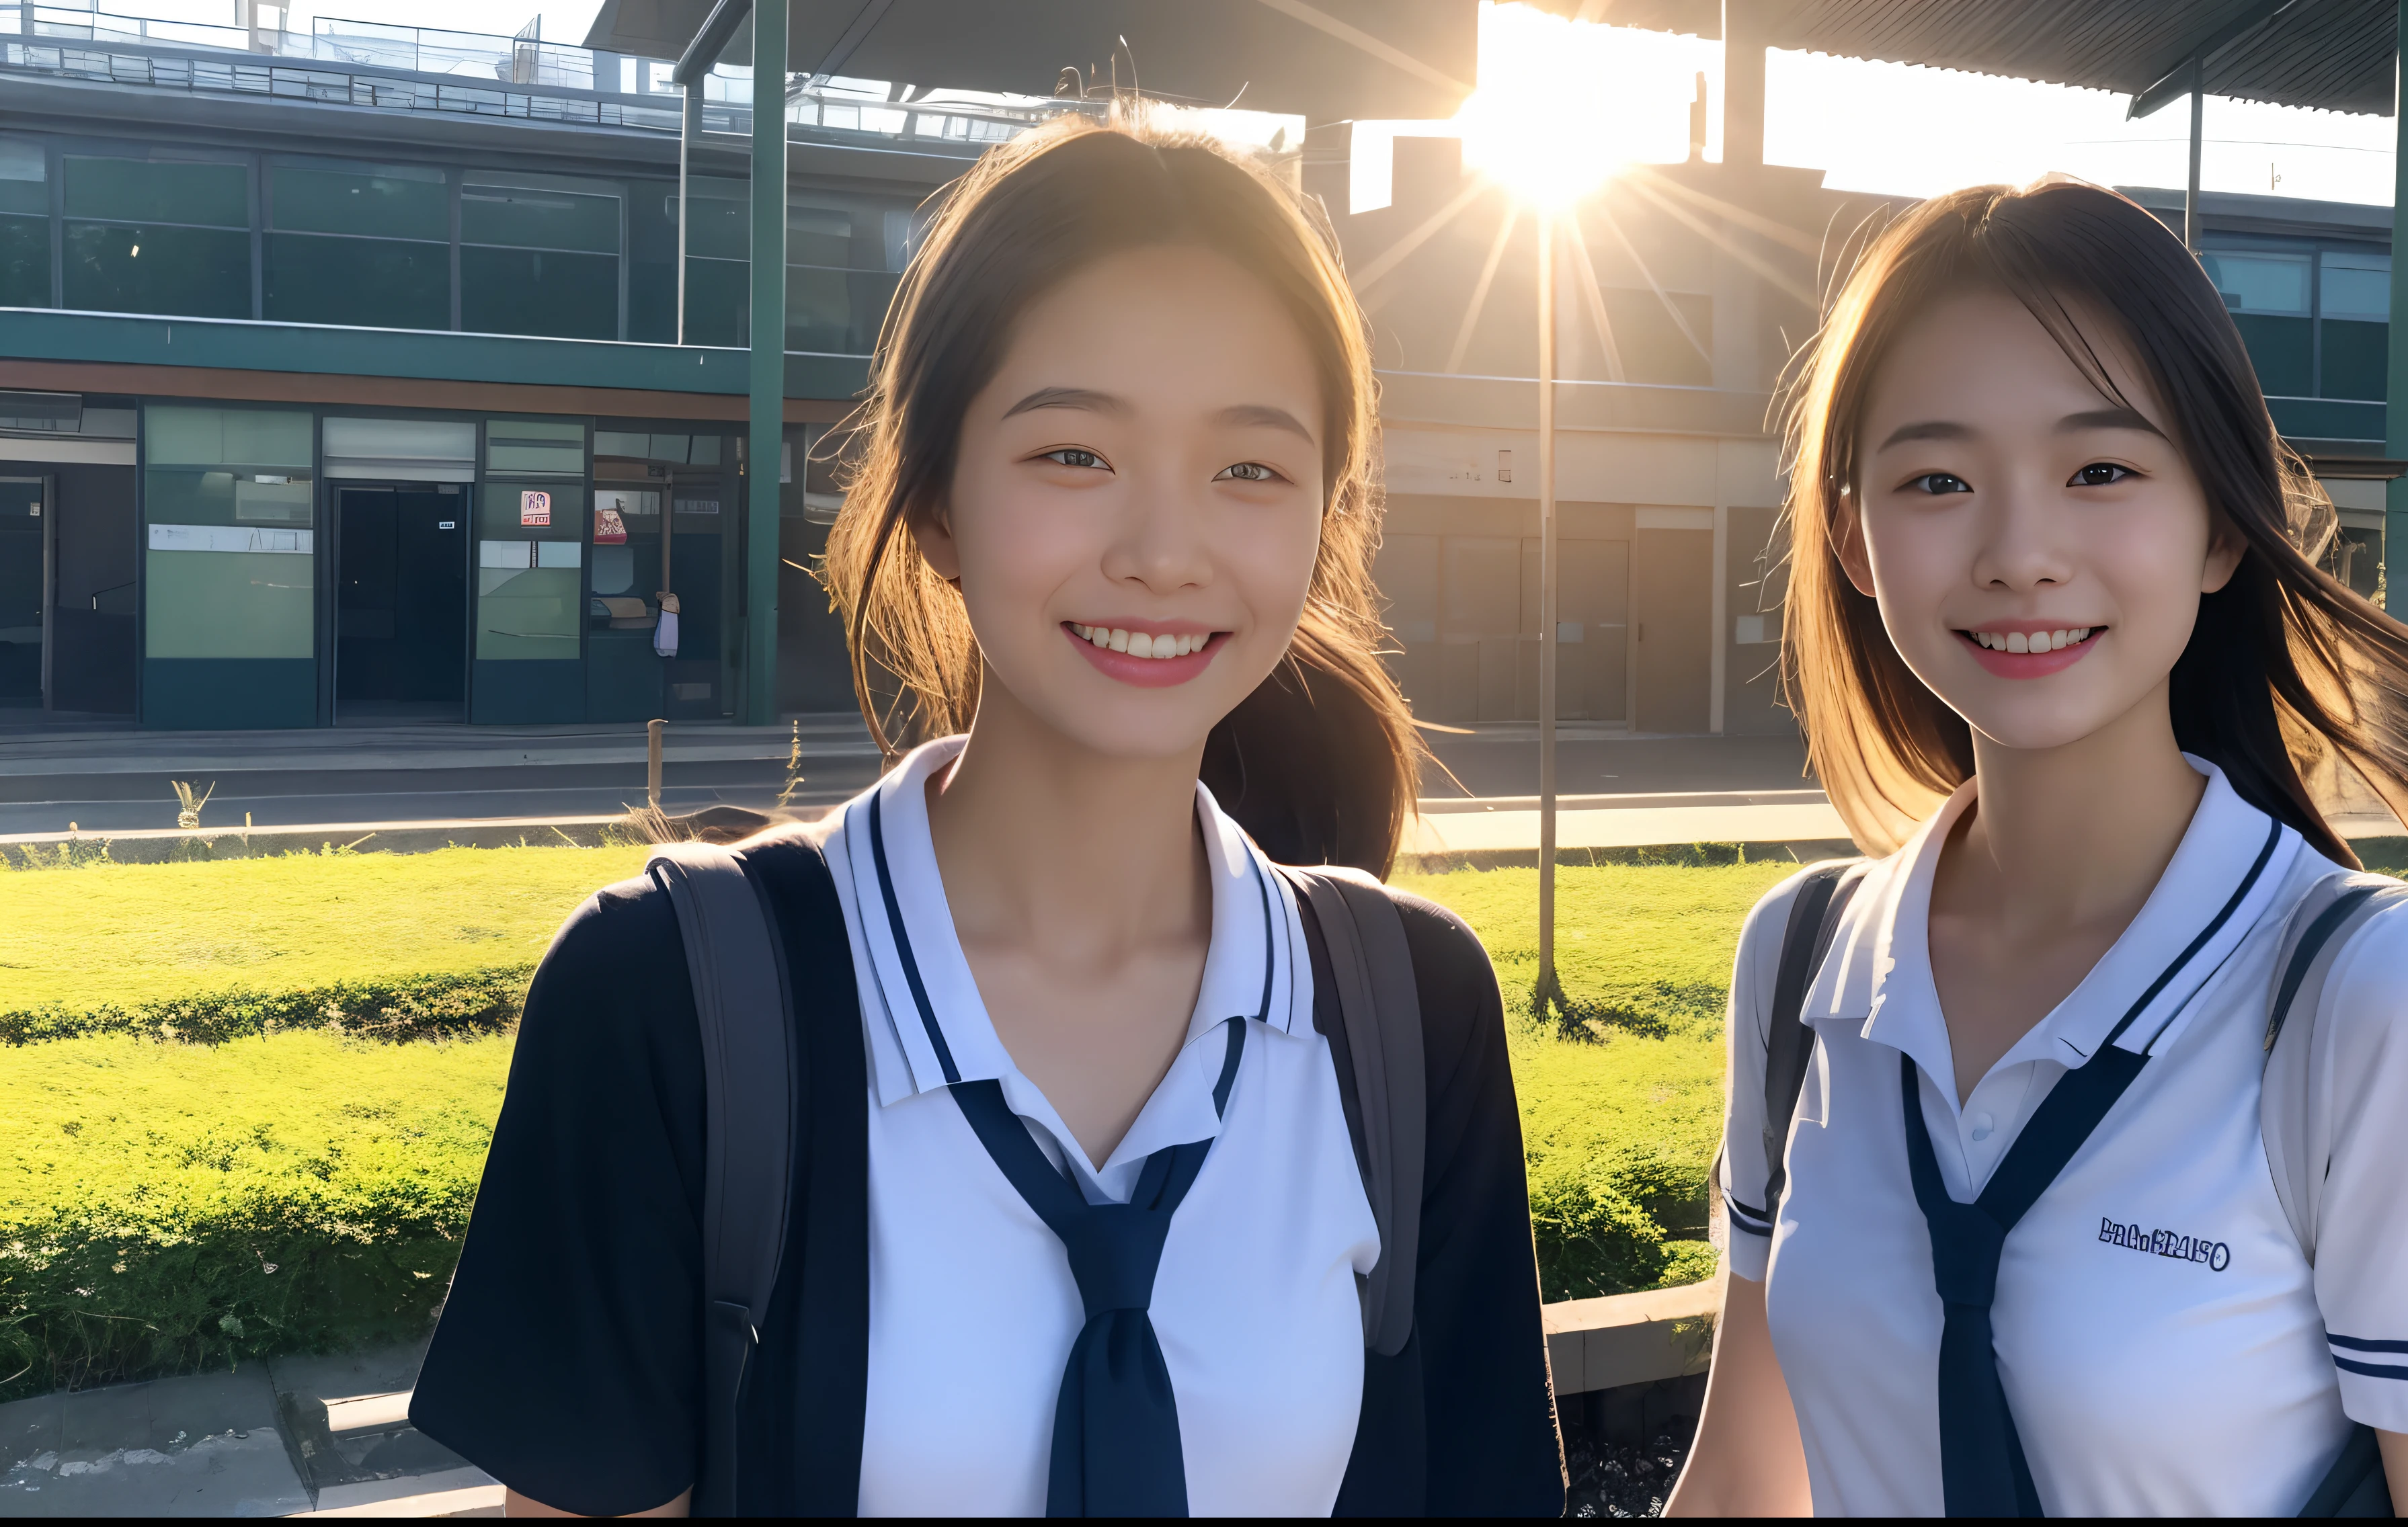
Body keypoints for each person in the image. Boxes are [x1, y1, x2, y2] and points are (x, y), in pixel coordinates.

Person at [407, 115, 1565, 1518]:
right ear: (936, 502)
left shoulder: (1409, 1013)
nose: (1160, 549)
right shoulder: (668, 998)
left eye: (1249, 467)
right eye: (1073, 454)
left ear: (1326, 516)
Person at [1664, 179, 2408, 1518]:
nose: (2018, 552)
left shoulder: (2367, 997)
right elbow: (1741, 1482)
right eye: (1936, 480)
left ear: (2219, 522)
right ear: (1850, 537)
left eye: (2098, 469)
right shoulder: (1802, 962)